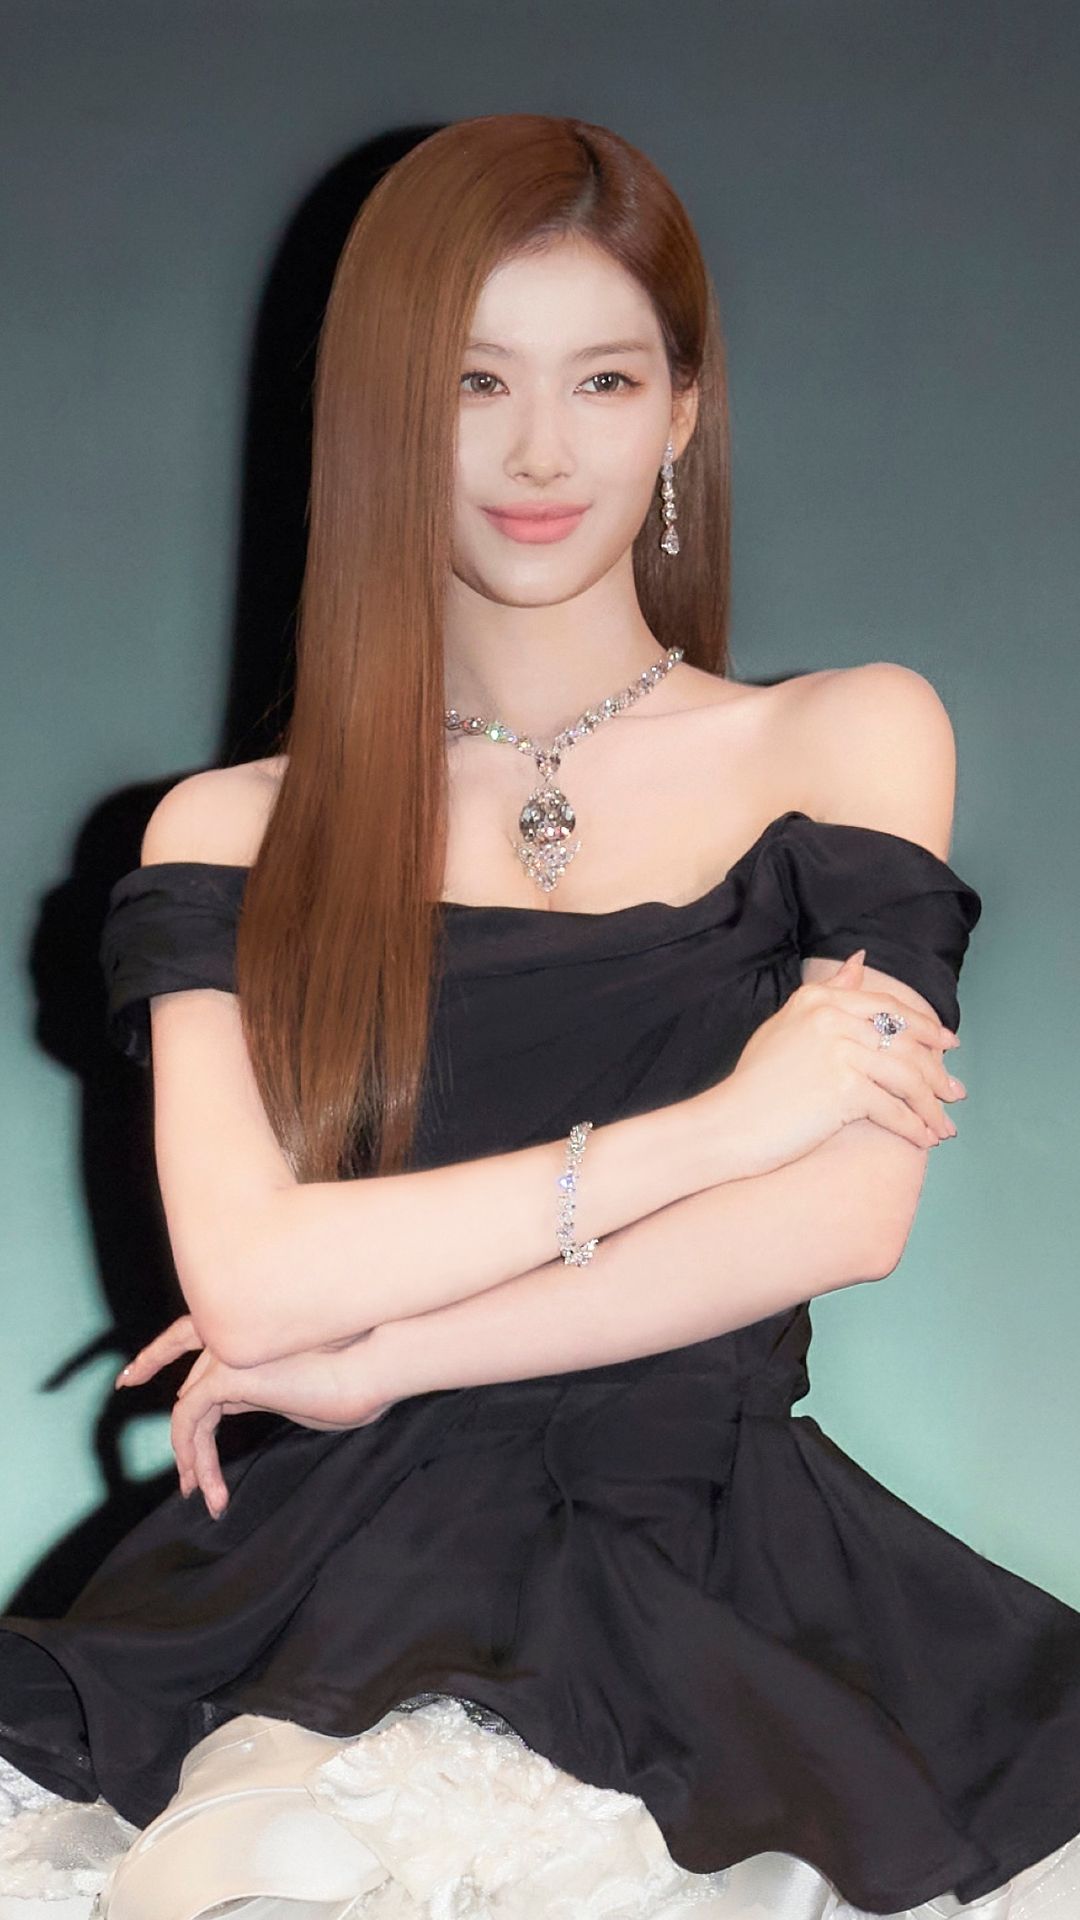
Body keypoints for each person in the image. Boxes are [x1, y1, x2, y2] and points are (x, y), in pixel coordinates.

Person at [0, 111, 1077, 1920]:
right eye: (474, 382)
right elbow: (251, 1283)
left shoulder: (848, 737)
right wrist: (716, 1131)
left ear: (683, 414)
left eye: (603, 380)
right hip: (315, 1589)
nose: (539, 452)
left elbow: (845, 1216)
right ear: (379, 415)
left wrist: (387, 1353)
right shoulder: (231, 832)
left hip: (734, 1575)